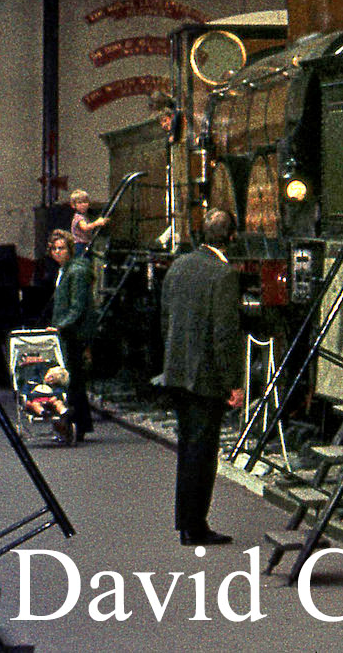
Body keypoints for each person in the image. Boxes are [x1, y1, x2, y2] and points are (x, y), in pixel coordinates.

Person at [153, 210, 243, 547]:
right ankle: (195, 525)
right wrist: (233, 382)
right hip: (205, 379)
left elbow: (164, 320)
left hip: (177, 372)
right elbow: (224, 336)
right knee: (203, 452)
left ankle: (187, 522)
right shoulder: (223, 275)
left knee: (187, 447)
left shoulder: (178, 266)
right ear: (231, 237)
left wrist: (172, 361)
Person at [46, 230, 98, 442]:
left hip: (74, 333)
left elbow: (77, 306)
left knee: (73, 380)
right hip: (68, 331)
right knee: (73, 379)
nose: (58, 252)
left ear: (70, 249)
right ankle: (78, 424)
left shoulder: (75, 272)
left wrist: (60, 326)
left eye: (62, 248)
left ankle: (77, 424)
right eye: (55, 249)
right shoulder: (65, 271)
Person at [67, 189, 109, 254]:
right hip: (79, 244)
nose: (83, 204)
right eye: (80, 203)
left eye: (85, 202)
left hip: (85, 243)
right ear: (73, 205)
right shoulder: (78, 217)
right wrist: (96, 223)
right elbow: (85, 227)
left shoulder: (84, 216)